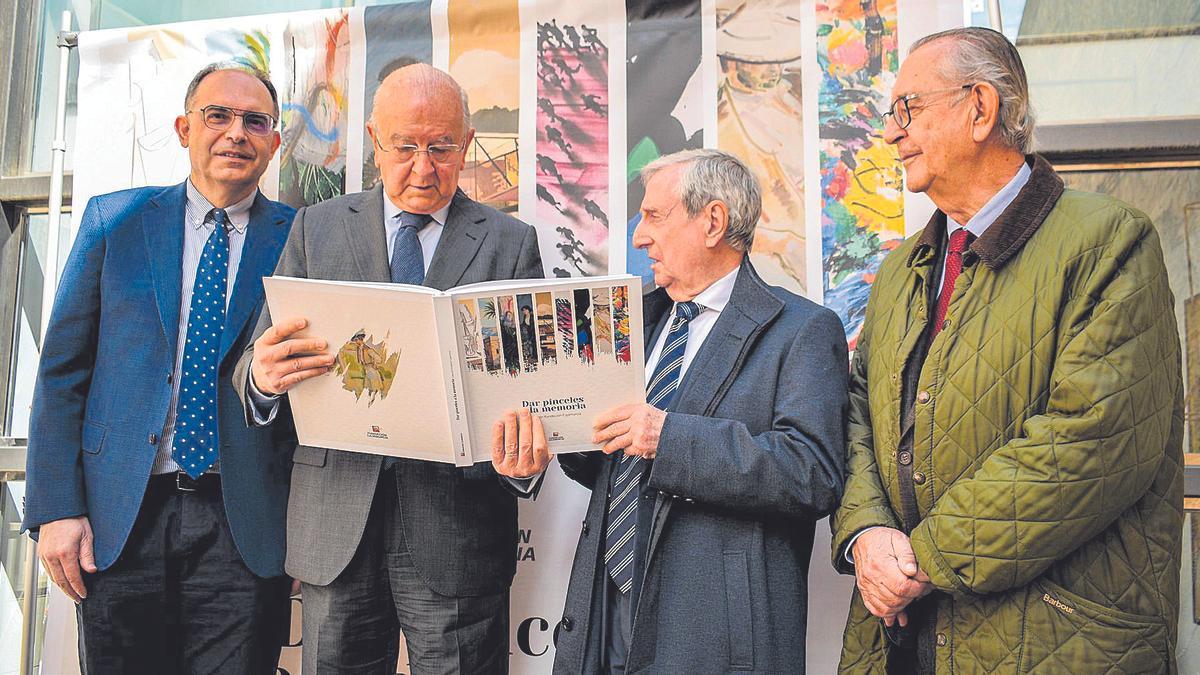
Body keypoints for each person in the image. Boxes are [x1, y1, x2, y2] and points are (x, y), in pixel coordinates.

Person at [831, 27, 1183, 673]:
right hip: (903, 639)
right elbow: (857, 415)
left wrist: (925, 557)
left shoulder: (1108, 241)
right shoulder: (902, 268)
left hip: (1056, 639)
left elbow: (1095, 438)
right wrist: (866, 534)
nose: (890, 133)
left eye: (908, 108)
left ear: (980, 108)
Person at [234, 63, 543, 674]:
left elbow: (529, 390)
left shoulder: (510, 243)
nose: (423, 168)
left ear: (468, 139)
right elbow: (255, 360)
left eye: (441, 148)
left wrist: (526, 454)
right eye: (405, 147)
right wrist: (262, 378)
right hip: (336, 523)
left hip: (457, 528)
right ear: (374, 138)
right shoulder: (315, 229)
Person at [492, 149, 848, 673]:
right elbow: (603, 460)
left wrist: (670, 437)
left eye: (654, 216)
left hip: (712, 639)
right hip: (601, 617)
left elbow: (811, 473)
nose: (638, 236)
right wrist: (542, 449)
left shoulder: (802, 330)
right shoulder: (629, 321)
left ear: (713, 222)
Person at [22, 63, 295, 672]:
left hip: (244, 522)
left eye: (255, 121)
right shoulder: (113, 222)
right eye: (217, 116)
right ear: (183, 129)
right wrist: (56, 509)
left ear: (274, 142)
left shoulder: (301, 240)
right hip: (121, 518)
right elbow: (62, 373)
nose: (235, 133)